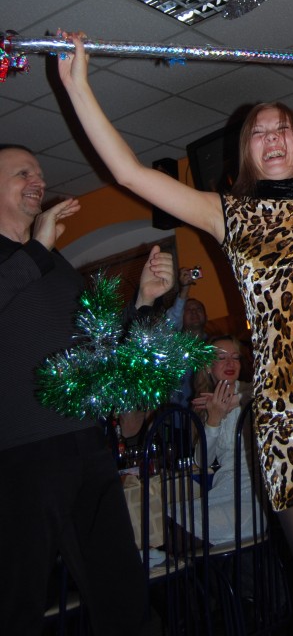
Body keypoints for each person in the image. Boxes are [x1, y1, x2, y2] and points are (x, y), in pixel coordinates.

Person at [57, 34, 293, 636]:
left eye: (282, 128)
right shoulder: (226, 214)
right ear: (247, 152)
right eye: (259, 132)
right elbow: (127, 171)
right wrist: (78, 86)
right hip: (285, 411)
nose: (272, 137)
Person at [0, 143, 174, 636]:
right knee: (16, 600)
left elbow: (100, 345)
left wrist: (144, 301)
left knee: (121, 591)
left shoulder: (55, 266)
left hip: (85, 442)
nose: (38, 180)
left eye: (39, 172)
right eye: (23, 173)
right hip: (18, 453)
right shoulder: (38, 257)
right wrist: (37, 250)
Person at [190, 335, 258, 544]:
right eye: (221, 358)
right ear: (208, 367)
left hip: (257, 483)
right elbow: (202, 461)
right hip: (226, 485)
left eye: (235, 357)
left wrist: (237, 399)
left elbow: (273, 391)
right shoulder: (204, 403)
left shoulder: (254, 389)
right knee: (178, 518)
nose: (230, 363)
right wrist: (214, 418)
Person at [166, 267, 209, 407]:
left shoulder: (214, 346)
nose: (194, 312)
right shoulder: (173, 345)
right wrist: (185, 288)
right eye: (188, 310)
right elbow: (171, 320)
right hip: (177, 413)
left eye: (198, 309)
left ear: (206, 316)